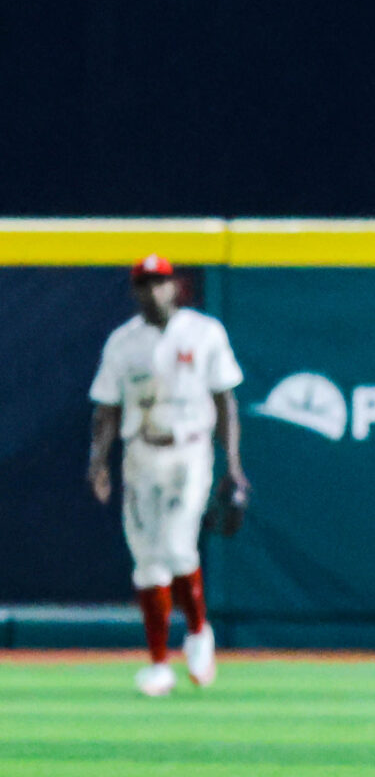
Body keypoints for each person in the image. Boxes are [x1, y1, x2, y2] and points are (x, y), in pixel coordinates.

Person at [88, 256, 247, 698]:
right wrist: (98, 461)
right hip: (141, 452)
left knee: (178, 546)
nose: (153, 291)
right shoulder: (124, 343)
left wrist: (232, 466)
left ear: (175, 286)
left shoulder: (204, 332)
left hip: (190, 450)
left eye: (160, 282)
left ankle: (198, 633)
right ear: (135, 290)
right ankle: (159, 663)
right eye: (144, 284)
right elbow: (106, 407)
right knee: (146, 561)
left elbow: (224, 400)